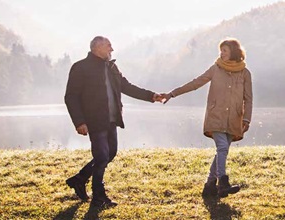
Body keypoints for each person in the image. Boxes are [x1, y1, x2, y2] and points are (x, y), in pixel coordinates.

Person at [64, 36, 163, 208]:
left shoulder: (111, 67)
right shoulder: (80, 68)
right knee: (102, 156)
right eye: (109, 46)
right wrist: (79, 122)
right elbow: (71, 97)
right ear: (97, 48)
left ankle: (79, 179)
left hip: (111, 120)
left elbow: (126, 86)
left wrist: (151, 96)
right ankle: (99, 198)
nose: (112, 49)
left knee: (109, 154)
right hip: (94, 121)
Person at [162, 38, 253, 198]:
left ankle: (209, 186)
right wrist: (172, 93)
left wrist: (246, 119)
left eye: (224, 50)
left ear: (233, 51)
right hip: (215, 116)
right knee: (223, 148)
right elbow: (196, 83)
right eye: (221, 50)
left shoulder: (245, 73)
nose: (221, 53)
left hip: (234, 118)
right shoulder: (216, 69)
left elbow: (248, 98)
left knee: (221, 152)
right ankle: (223, 183)